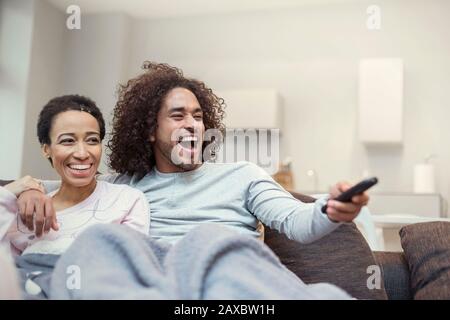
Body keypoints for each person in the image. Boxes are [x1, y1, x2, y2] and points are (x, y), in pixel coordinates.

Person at [13, 62, 369, 299]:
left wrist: (332, 209)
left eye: (198, 116)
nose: (193, 124)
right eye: (178, 115)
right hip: (164, 284)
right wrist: (28, 186)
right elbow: (61, 185)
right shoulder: (120, 186)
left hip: (230, 277)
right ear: (150, 130)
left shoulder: (241, 175)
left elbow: (297, 221)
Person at [0, 95, 149, 298]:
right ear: (47, 149)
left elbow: (131, 267)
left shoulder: (127, 199)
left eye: (92, 140)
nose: (82, 153)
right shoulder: (25, 210)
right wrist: (14, 189)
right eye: (68, 141)